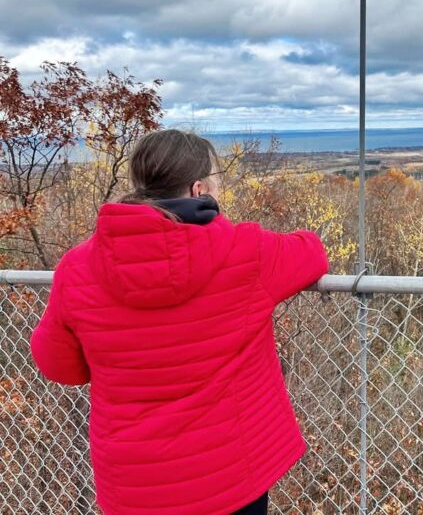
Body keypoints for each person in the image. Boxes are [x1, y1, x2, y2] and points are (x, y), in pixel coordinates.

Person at [30, 129, 329, 515]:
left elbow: (60, 366)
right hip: (231, 478)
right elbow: (312, 252)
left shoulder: (77, 268)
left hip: (132, 485)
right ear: (198, 188)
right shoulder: (247, 253)